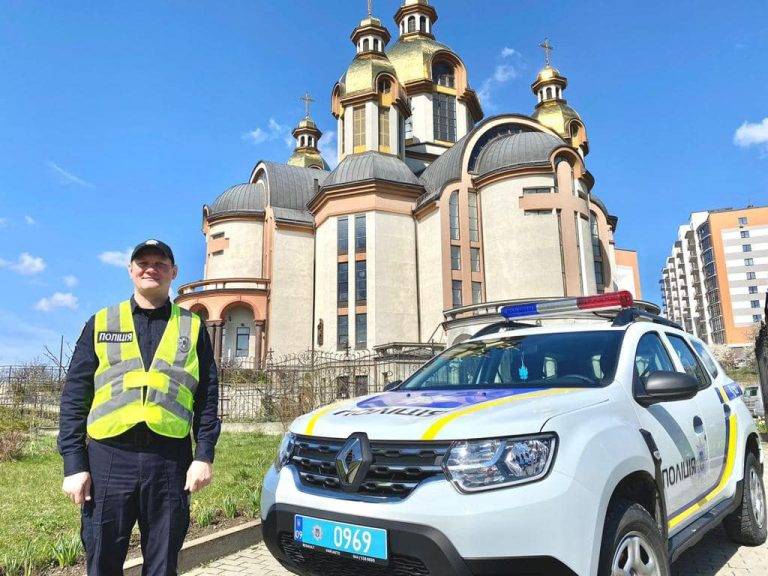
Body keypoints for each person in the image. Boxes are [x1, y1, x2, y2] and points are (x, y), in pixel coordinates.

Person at [58, 239, 221, 576]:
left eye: (160, 264)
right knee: (102, 559)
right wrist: (74, 464)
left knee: (163, 564)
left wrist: (203, 455)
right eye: (143, 263)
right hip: (108, 458)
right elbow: (75, 395)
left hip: (169, 460)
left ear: (173, 272)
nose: (151, 269)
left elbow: (207, 396)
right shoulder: (102, 322)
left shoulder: (192, 327)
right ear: (130, 270)